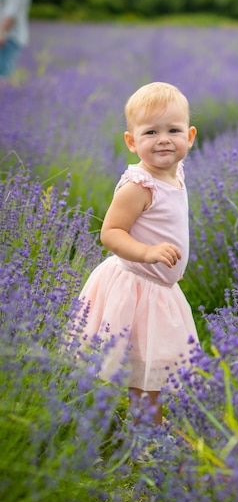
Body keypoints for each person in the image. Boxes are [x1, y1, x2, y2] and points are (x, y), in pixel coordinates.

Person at [78, 82, 198, 426]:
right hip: (135, 287)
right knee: (144, 373)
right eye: (151, 132)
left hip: (159, 286)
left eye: (173, 130)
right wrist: (148, 253)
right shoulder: (138, 185)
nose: (163, 139)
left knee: (149, 371)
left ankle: (143, 431)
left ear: (189, 137)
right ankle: (144, 437)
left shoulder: (174, 173)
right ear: (132, 142)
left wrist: (169, 266)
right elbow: (111, 232)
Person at [0, 0, 31, 83]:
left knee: (3, 73)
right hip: (6, 35)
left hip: (9, 36)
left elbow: (12, 11)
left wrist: (2, 32)